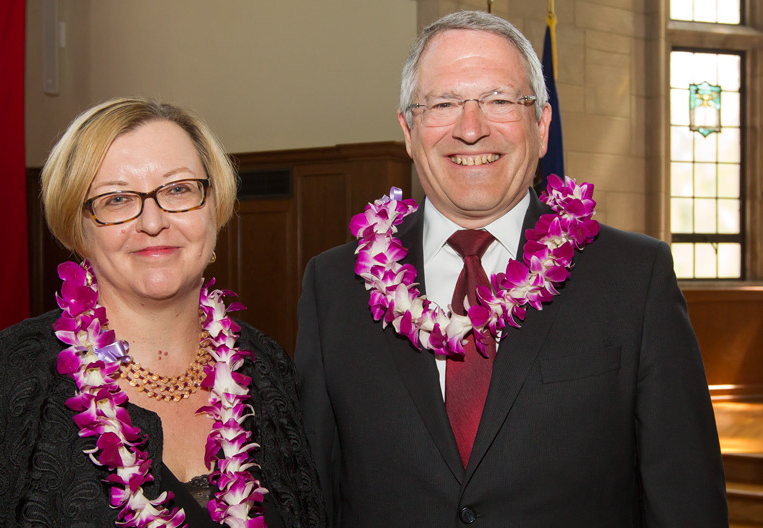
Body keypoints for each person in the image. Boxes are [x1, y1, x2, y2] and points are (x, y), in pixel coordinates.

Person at [295, 11, 727, 528]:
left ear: (541, 126)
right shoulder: (334, 286)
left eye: (500, 101)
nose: (471, 128)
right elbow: (312, 498)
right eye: (443, 103)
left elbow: (687, 504)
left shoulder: (635, 278)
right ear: (408, 131)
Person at [0, 97, 325, 527]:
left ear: (214, 206)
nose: (153, 221)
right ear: (78, 227)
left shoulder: (266, 370)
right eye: (117, 199)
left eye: (180, 189)